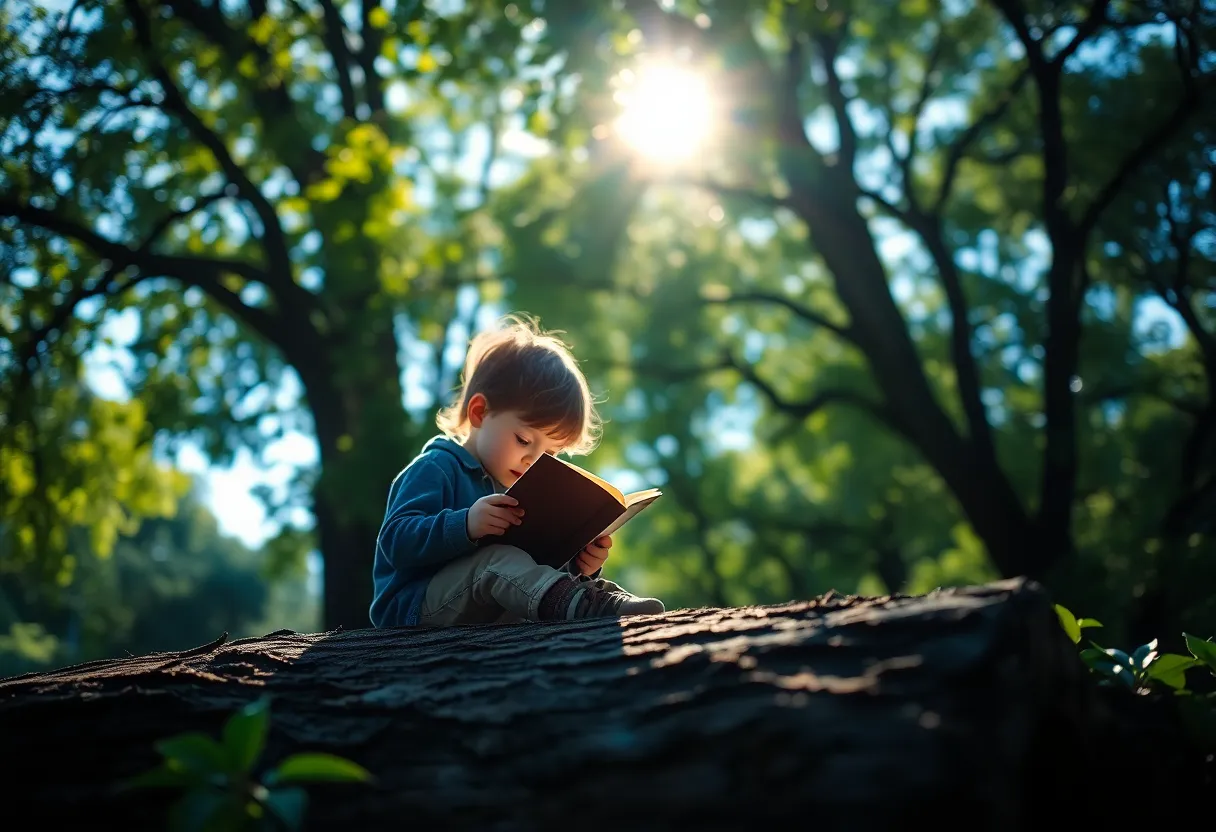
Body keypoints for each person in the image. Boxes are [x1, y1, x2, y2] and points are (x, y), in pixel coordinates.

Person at [369, 315, 666, 628]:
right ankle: (585, 608)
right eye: (524, 440)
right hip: (413, 610)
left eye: (550, 453)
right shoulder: (437, 467)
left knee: (508, 563)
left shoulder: (521, 488)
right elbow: (394, 542)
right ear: (479, 412)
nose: (533, 461)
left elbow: (527, 569)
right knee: (495, 560)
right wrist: (465, 525)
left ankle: (592, 597)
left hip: (489, 610)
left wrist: (582, 566)